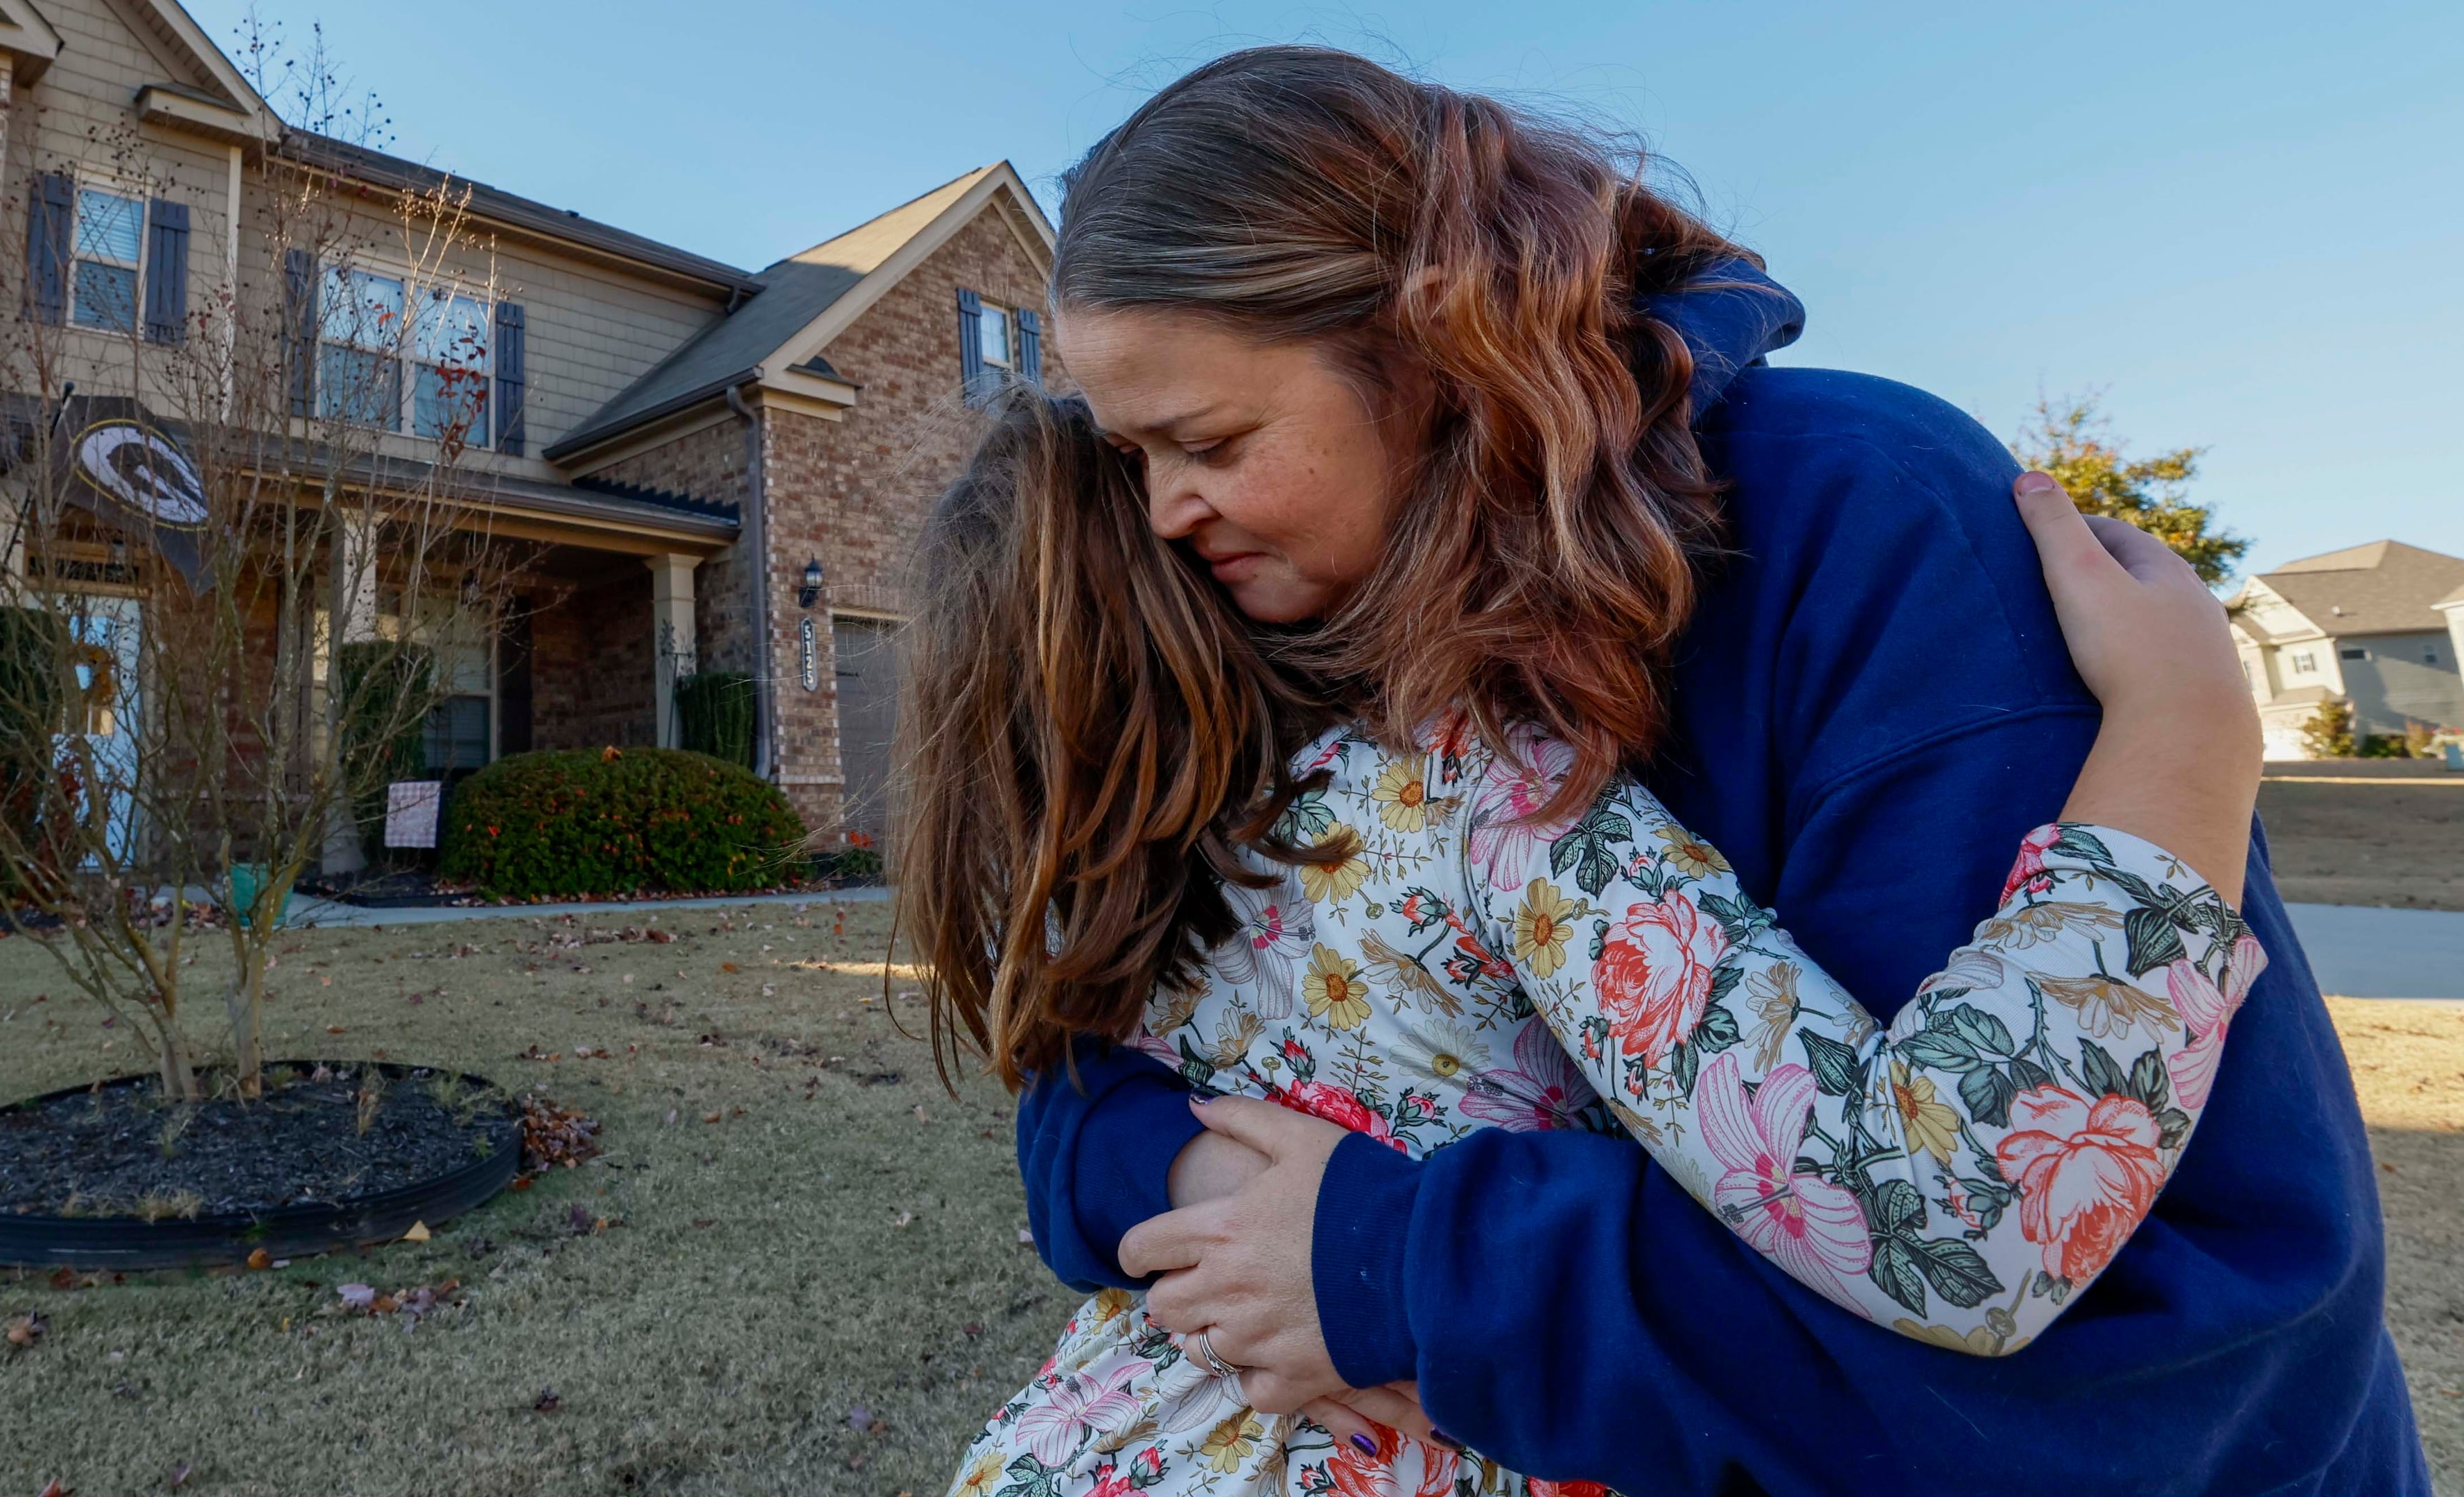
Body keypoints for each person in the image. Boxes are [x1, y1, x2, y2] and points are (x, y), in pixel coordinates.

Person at [987, 46, 2427, 1496]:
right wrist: (1209, 1192)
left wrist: (1402, 1266)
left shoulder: (1858, 531)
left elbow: (2067, 1271)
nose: (1167, 511)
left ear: (1432, 336)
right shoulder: (1305, 605)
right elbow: (1096, 1056)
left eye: (1211, 440)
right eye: (1134, 458)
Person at [898, 392, 2262, 1492]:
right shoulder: (1486, 793)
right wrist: (2181, 759)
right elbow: (1945, 1217)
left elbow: (1070, 1112)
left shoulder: (1095, 883)